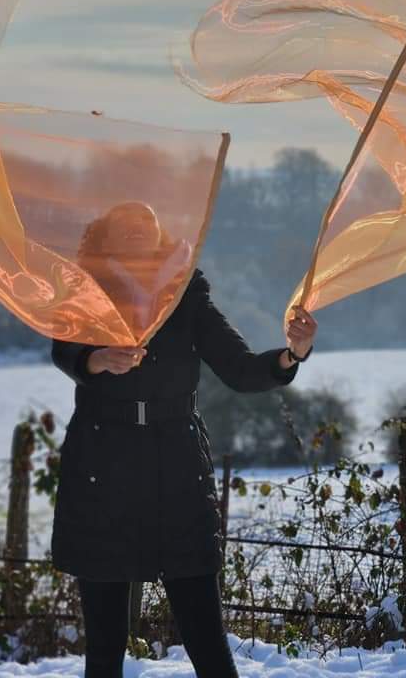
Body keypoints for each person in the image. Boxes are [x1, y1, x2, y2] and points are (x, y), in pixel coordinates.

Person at [50, 201, 318, 678]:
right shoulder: (85, 291)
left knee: (208, 642)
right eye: (127, 227)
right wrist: (95, 360)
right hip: (101, 465)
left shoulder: (185, 294)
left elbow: (239, 368)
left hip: (176, 465)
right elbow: (63, 348)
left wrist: (290, 356)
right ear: (105, 237)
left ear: (161, 237)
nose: (137, 234)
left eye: (146, 226)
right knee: (105, 650)